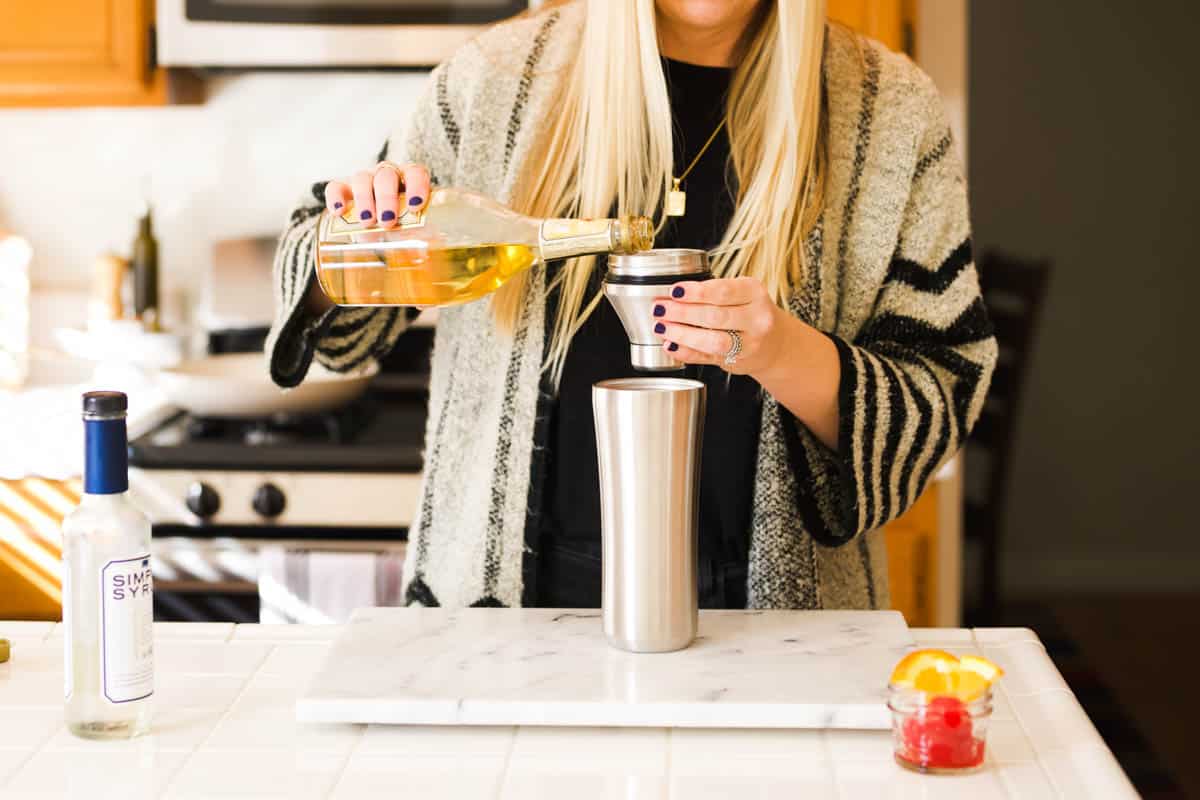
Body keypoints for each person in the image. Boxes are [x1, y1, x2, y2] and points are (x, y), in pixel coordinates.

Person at [267, 0, 996, 611]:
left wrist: (782, 354)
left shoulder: (890, 112)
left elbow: (942, 396)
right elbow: (339, 337)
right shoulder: (489, 85)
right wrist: (353, 240)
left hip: (777, 631)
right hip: (503, 624)